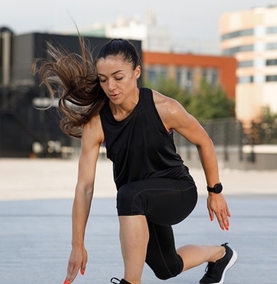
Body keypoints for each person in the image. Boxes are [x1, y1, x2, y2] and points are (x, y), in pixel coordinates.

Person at [32, 37, 237, 284]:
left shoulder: (165, 108)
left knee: (129, 196)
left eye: (119, 77)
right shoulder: (96, 124)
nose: (111, 86)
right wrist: (78, 244)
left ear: (136, 72)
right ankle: (221, 255)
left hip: (177, 191)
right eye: (103, 79)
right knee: (167, 267)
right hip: (140, 204)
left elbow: (204, 141)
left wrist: (215, 191)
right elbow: (84, 187)